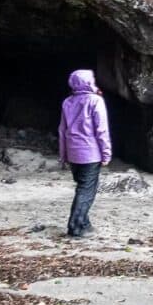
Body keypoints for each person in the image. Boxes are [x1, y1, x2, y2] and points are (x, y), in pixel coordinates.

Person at [58, 69, 112, 238]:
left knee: (82, 188)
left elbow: (62, 130)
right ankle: (75, 227)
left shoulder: (67, 102)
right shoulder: (95, 101)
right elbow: (101, 130)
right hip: (90, 153)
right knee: (86, 191)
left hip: (73, 152)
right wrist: (106, 153)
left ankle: (84, 223)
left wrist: (63, 155)